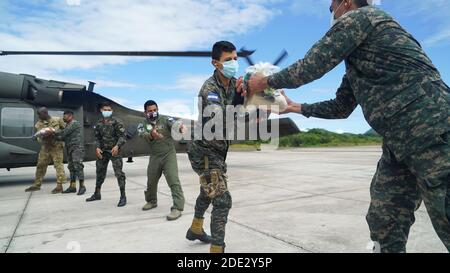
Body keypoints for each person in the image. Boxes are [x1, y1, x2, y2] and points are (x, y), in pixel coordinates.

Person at [245, 0, 450, 253]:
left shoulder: (364, 17)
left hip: (433, 128)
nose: (331, 13)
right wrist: (294, 107)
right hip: (399, 142)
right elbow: (342, 107)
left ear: (346, 3)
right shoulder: (359, 60)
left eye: (332, 7)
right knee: (384, 216)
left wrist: (264, 81)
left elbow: (311, 65)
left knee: (445, 213)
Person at [185, 41, 245, 253]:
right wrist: (240, 100)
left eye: (236, 59)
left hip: (218, 151)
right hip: (204, 153)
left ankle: (196, 228)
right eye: (228, 60)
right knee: (222, 200)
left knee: (207, 192)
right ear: (216, 63)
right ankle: (217, 250)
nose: (234, 63)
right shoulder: (209, 89)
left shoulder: (232, 85)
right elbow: (218, 121)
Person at [138, 100, 186, 221]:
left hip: (168, 154)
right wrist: (151, 135)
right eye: (150, 111)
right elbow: (142, 134)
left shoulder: (165, 120)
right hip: (155, 156)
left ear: (157, 109)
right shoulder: (142, 124)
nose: (153, 112)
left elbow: (175, 124)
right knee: (151, 181)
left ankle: (178, 208)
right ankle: (152, 201)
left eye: (154, 110)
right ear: (145, 113)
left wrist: (180, 127)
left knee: (173, 180)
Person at [86, 102, 127, 207]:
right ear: (101, 110)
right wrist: (97, 147)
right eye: (105, 109)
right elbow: (97, 138)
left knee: (119, 174)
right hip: (103, 152)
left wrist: (117, 146)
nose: (107, 111)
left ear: (112, 111)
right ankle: (97, 193)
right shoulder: (99, 123)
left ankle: (123, 196)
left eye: (109, 110)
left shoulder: (117, 122)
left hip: (115, 152)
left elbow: (123, 136)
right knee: (99, 172)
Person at [25, 107, 66, 194]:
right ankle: (37, 184)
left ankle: (59, 186)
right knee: (40, 165)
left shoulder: (58, 120)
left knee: (58, 165)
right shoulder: (38, 124)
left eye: (40, 114)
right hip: (46, 147)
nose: (38, 116)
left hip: (56, 146)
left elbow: (65, 130)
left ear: (45, 113)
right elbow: (38, 138)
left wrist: (56, 134)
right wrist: (44, 137)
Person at [53, 110, 86, 195]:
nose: (63, 118)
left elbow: (63, 133)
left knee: (78, 166)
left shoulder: (74, 123)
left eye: (65, 116)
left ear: (70, 116)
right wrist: (54, 136)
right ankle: (72, 186)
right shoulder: (68, 125)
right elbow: (62, 137)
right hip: (70, 148)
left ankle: (82, 186)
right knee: (71, 167)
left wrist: (51, 132)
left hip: (76, 148)